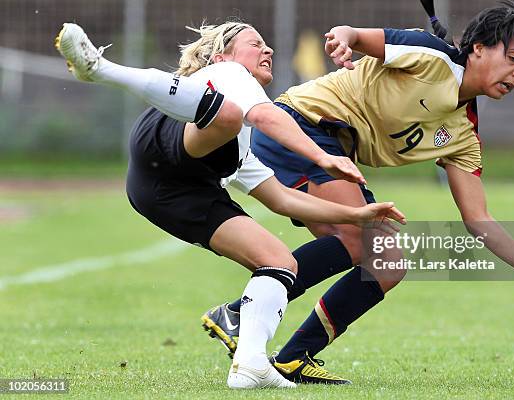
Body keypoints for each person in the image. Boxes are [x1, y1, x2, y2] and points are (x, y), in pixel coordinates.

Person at [203, 0, 514, 384]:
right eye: (513, 59)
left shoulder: (463, 134)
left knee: (386, 263)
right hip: (302, 125)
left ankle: (290, 357)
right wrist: (342, 39)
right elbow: (354, 34)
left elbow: (479, 221)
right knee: (362, 241)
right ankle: (241, 314)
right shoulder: (432, 58)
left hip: (337, 152)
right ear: (477, 48)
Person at [54, 21, 405, 389]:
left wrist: (356, 215)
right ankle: (99, 68)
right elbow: (264, 115)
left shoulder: (242, 145)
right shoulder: (226, 72)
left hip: (169, 195)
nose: (267, 50)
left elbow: (282, 199)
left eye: (268, 45)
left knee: (280, 260)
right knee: (229, 114)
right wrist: (323, 157)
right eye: (256, 43)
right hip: (160, 151)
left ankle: (250, 366)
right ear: (221, 56)